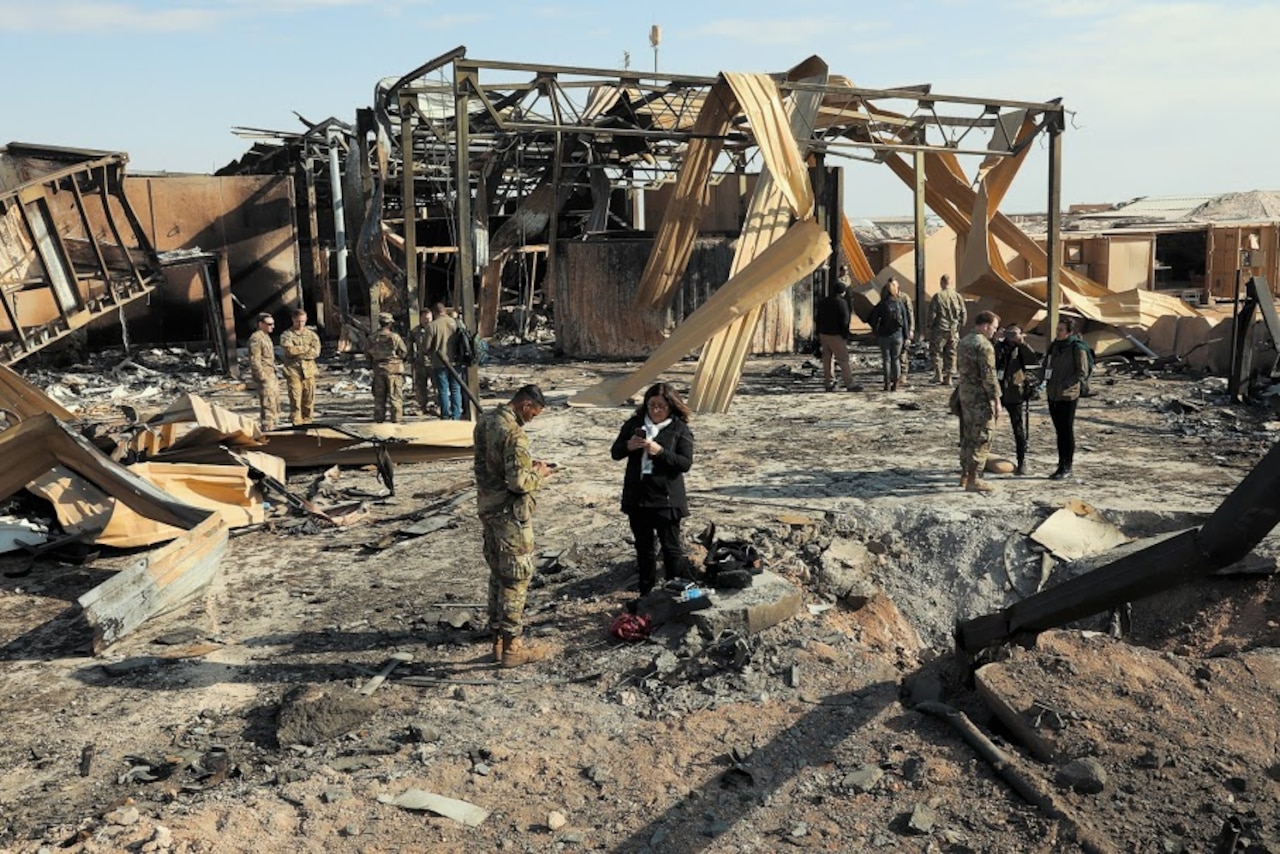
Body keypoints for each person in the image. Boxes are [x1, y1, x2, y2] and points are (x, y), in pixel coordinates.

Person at [474, 385, 556, 667]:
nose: (532, 419)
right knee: (516, 577)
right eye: (533, 413)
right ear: (525, 405)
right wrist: (540, 474)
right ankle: (512, 647)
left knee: (497, 572)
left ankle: (497, 638)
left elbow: (492, 464)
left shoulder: (486, 421)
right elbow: (519, 483)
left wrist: (522, 466)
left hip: (488, 507)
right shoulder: (514, 434)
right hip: (510, 515)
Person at [610, 383, 695, 596]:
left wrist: (660, 452)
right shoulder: (634, 424)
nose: (655, 411)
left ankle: (675, 592)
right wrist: (629, 446)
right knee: (644, 549)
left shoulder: (679, 429)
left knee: (671, 549)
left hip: (666, 499)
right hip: (638, 497)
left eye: (661, 407)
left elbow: (684, 463)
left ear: (671, 407)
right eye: (652, 406)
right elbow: (615, 452)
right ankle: (646, 594)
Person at [956, 310, 1001, 493]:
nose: (994, 332)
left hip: (965, 394)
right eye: (994, 328)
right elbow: (989, 376)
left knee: (967, 435)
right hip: (979, 398)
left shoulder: (964, 341)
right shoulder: (984, 346)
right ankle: (974, 479)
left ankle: (965, 475)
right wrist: (996, 400)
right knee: (982, 437)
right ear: (985, 325)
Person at [1045, 317, 1091, 480]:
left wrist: (1066, 384)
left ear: (1069, 332)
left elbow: (1082, 372)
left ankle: (1067, 465)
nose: (1057, 332)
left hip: (1068, 394)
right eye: (1057, 329)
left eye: (1061, 330)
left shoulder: (1076, 348)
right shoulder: (1054, 347)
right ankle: (1060, 464)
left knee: (1066, 430)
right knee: (1059, 430)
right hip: (1053, 393)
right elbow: (1047, 365)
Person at [994, 323, 1040, 475]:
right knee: (986, 427)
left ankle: (1022, 461)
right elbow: (991, 360)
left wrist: (1021, 343)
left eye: (1014, 334)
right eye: (1009, 333)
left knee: (1018, 429)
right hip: (996, 391)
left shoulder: (1020, 348)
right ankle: (979, 461)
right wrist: (996, 340)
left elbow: (1033, 360)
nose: (1011, 337)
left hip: (1015, 392)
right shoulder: (998, 347)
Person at [867, 277, 910, 391]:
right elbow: (905, 320)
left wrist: (876, 330)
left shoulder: (882, 304)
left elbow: (871, 318)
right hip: (898, 336)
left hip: (884, 335)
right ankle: (896, 383)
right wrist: (906, 336)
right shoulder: (899, 303)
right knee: (896, 359)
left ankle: (886, 383)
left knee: (886, 360)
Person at [280, 307, 321, 424]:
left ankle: (308, 420)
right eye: (298, 321)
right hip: (293, 370)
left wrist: (298, 351)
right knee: (295, 398)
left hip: (309, 371)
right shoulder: (286, 335)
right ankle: (296, 421)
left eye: (303, 321)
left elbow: (316, 352)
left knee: (309, 398)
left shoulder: (312, 335)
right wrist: (306, 349)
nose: (301, 324)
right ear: (293, 320)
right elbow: (289, 351)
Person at [814, 277, 856, 392]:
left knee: (827, 359)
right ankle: (849, 383)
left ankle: (829, 383)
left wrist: (818, 332)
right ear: (843, 291)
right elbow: (845, 321)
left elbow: (818, 318)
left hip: (824, 334)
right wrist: (845, 335)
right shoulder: (842, 303)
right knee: (843, 359)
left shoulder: (823, 301)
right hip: (836, 335)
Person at [927, 274, 967, 385]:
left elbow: (933, 314)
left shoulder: (938, 296)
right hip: (953, 329)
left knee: (936, 352)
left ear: (942, 282)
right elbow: (963, 312)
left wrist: (930, 326)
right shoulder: (957, 296)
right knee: (952, 352)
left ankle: (938, 374)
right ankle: (949, 377)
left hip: (940, 329)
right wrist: (960, 325)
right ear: (951, 283)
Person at [369, 312, 408, 423]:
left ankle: (379, 418)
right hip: (393, 370)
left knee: (379, 397)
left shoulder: (372, 337)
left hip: (378, 370)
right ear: (390, 324)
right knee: (395, 396)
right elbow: (404, 352)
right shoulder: (395, 337)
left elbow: (367, 353)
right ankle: (396, 419)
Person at [426, 301, 462, 420]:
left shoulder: (432, 326)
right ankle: (456, 414)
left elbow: (426, 347)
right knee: (456, 388)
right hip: (456, 360)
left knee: (443, 389)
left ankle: (445, 414)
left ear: (434, 312)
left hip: (439, 361)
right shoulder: (456, 323)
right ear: (445, 311)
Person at [247, 312, 279, 430]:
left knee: (274, 403)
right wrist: (262, 376)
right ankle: (268, 429)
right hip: (265, 376)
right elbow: (255, 360)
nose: (272, 327)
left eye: (273, 324)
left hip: (271, 374)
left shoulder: (265, 337)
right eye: (269, 324)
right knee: (268, 404)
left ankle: (273, 426)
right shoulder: (256, 338)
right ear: (260, 324)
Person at [408, 307, 435, 416]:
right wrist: (411, 359)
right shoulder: (415, 331)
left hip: (434, 362)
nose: (427, 321)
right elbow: (409, 346)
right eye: (425, 319)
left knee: (436, 386)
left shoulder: (435, 329)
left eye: (429, 318)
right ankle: (422, 406)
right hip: (420, 362)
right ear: (420, 319)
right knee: (420, 386)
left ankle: (436, 406)